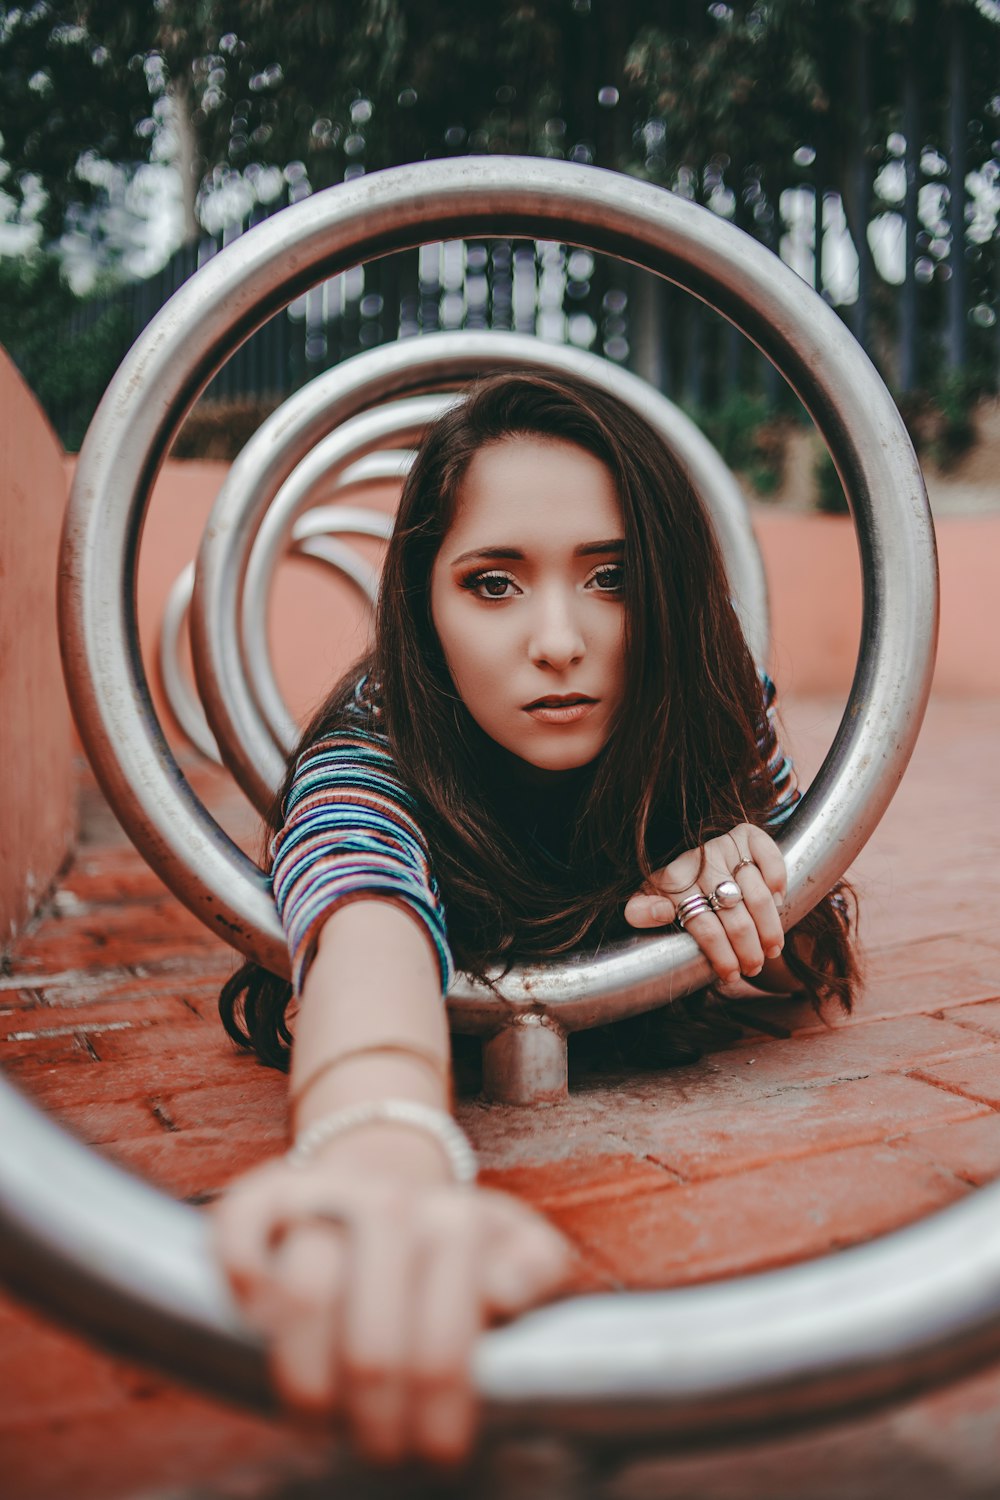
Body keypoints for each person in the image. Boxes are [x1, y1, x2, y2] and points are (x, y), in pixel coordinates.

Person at [213, 370, 857, 1466]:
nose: (557, 639)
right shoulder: (373, 743)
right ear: (422, 601)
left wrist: (742, 869)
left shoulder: (710, 693)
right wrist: (379, 1147)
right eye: (493, 584)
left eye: (610, 577)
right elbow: (363, 910)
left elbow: (809, 960)